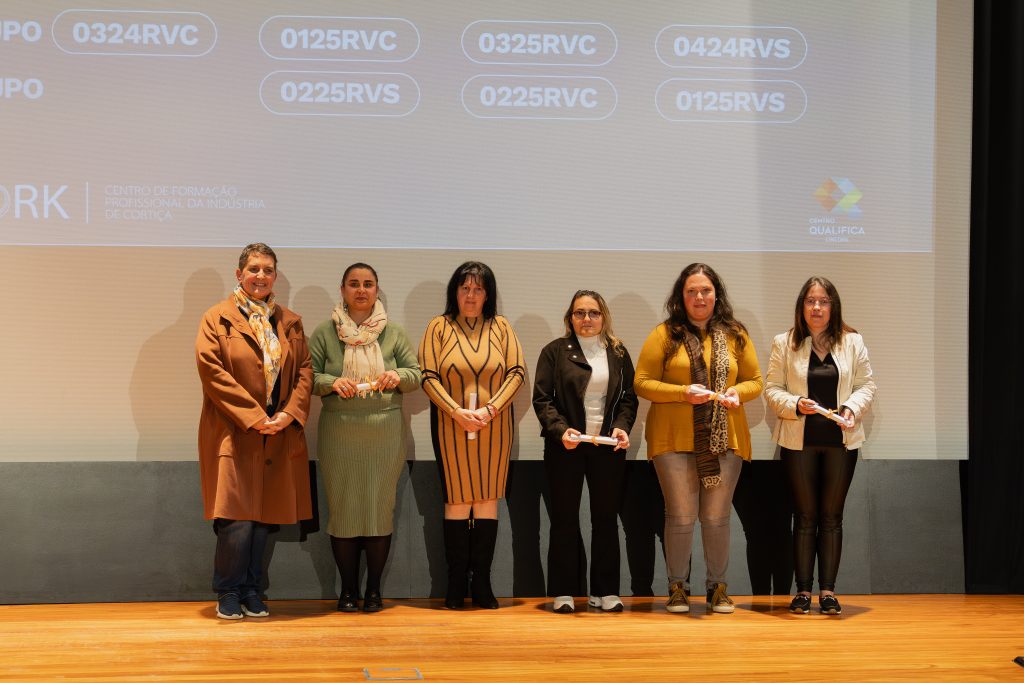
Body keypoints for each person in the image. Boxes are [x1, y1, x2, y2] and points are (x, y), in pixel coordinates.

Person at [634, 263, 763, 615]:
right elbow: (641, 382)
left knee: (717, 517)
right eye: (691, 291)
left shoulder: (736, 334)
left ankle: (717, 589)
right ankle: (677, 588)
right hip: (672, 440)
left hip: (725, 440)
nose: (699, 297)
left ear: (716, 295)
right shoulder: (664, 334)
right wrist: (681, 393)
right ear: (682, 296)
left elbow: (755, 381)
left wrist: (737, 392)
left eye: (705, 290)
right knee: (680, 515)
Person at [195, 243, 312, 620]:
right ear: (239, 274)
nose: (261, 276)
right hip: (235, 430)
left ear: (275, 276)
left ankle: (251, 589)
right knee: (236, 518)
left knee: (264, 517)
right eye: (254, 269)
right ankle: (228, 590)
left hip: (277, 432)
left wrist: (289, 414)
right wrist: (253, 415)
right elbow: (211, 371)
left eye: (268, 270)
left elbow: (305, 371)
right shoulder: (217, 318)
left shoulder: (290, 322)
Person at [309, 263, 421, 613]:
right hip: (339, 432)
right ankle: (347, 591)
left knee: (377, 511)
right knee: (344, 511)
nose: (361, 290)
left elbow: (416, 375)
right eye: (354, 284)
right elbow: (308, 378)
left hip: (384, 432)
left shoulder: (394, 332)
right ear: (342, 290)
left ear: (376, 290)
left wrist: (397, 375)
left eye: (368, 284)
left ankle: (373, 591)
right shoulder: (325, 332)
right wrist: (331, 382)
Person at [764, 276, 876, 615]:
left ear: (833, 307)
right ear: (802, 307)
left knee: (831, 517)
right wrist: (796, 403)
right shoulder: (784, 343)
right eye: (810, 301)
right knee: (805, 516)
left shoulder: (852, 341)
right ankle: (802, 592)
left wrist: (851, 408)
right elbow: (772, 389)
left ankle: (827, 592)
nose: (816, 307)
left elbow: (866, 385)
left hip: (841, 443)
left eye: (823, 301)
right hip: (799, 443)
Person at [418, 261, 525, 609]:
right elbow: (427, 376)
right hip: (451, 424)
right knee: (458, 500)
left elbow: (517, 372)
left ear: (487, 295)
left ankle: (481, 583)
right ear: (455, 291)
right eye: (465, 288)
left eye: (478, 289)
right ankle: (455, 583)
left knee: (487, 501)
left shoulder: (502, 327)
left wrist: (490, 410)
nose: (471, 295)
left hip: (495, 426)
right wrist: (456, 412)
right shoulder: (438, 327)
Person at [533, 290, 638, 613]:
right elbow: (542, 399)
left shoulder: (618, 352)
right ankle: (563, 592)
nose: (587, 319)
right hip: (566, 446)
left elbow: (629, 398)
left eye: (593, 312)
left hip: (607, 448)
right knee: (564, 519)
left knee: (605, 519)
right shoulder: (554, 351)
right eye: (579, 313)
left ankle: (605, 592)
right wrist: (560, 430)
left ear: (603, 317)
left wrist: (621, 426)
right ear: (570, 318)